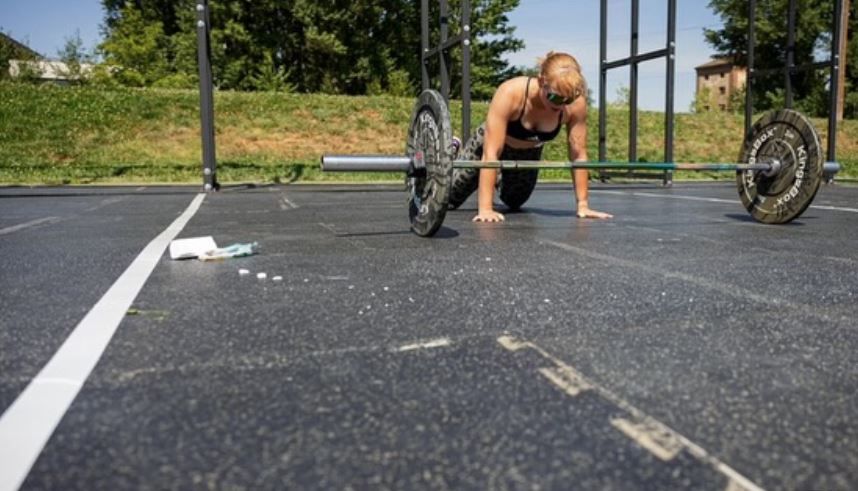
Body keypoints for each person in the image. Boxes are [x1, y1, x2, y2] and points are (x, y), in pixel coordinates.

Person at [471, 51, 613, 223]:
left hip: (528, 152)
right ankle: (456, 151)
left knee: (514, 202)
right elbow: (491, 152)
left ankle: (499, 176)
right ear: (541, 82)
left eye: (567, 101)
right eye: (555, 97)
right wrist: (486, 209)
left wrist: (583, 205)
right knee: (451, 197)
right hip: (488, 146)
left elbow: (578, 154)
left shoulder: (576, 104)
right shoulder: (510, 92)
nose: (561, 105)